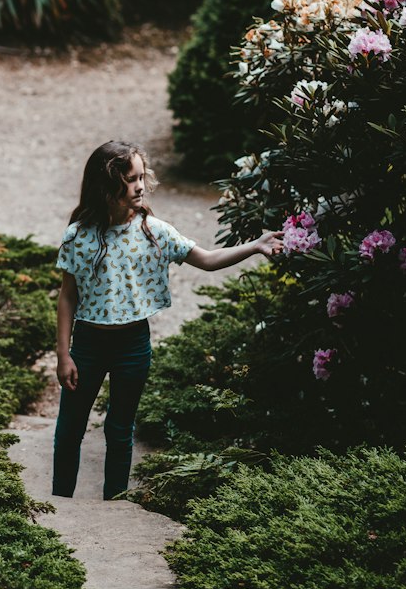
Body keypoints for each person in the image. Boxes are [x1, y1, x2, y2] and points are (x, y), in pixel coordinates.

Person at [53, 140, 282, 501]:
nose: (140, 186)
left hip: (132, 346)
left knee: (119, 428)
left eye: (142, 177)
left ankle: (114, 503)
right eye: (130, 180)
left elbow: (206, 259)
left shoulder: (154, 231)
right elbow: (68, 296)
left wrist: (255, 245)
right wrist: (63, 355)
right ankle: (60, 502)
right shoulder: (79, 236)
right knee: (70, 428)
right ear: (106, 185)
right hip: (88, 346)